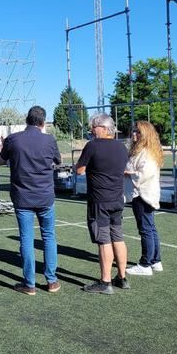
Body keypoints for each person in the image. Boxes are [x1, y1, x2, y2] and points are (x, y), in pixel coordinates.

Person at [0, 106, 61, 295]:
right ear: (43, 122)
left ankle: (29, 283)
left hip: (22, 197)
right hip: (45, 196)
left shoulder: (13, 139)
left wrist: (9, 153)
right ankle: (52, 280)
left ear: (27, 120)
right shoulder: (49, 139)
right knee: (49, 236)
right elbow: (57, 161)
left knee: (26, 239)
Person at [76, 113, 129, 294]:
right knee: (118, 237)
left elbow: (79, 170)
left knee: (103, 240)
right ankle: (122, 277)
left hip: (100, 200)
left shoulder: (92, 146)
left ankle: (105, 281)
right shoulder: (122, 147)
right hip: (117, 199)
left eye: (94, 127)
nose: (91, 131)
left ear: (104, 129)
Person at [124, 120, 164, 276]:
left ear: (146, 134)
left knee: (146, 229)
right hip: (145, 193)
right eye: (133, 131)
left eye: (138, 132)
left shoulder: (146, 152)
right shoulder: (145, 150)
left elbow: (144, 174)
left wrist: (127, 174)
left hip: (143, 194)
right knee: (150, 228)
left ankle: (145, 263)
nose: (134, 134)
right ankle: (155, 260)